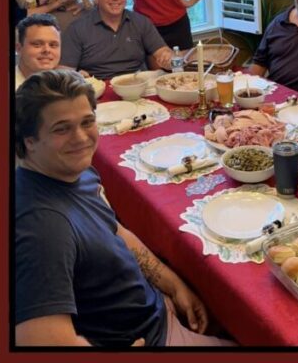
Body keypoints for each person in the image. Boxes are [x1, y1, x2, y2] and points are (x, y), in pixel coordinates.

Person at [14, 70, 233, 346]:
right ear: (28, 140)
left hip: (154, 308)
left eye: (87, 122)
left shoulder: (72, 172)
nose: (81, 138)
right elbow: (35, 338)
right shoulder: (42, 227)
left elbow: (113, 231)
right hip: (151, 338)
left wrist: (174, 285)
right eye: (62, 128)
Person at [60, 0, 173, 78]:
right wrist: (77, 77)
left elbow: (163, 52)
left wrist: (167, 59)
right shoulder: (77, 28)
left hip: (138, 84)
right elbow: (64, 72)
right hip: (98, 88)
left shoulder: (141, 22)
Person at [15, 15, 63, 88]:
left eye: (53, 45)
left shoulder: (67, 86)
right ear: (19, 49)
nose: (47, 50)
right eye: (37, 44)